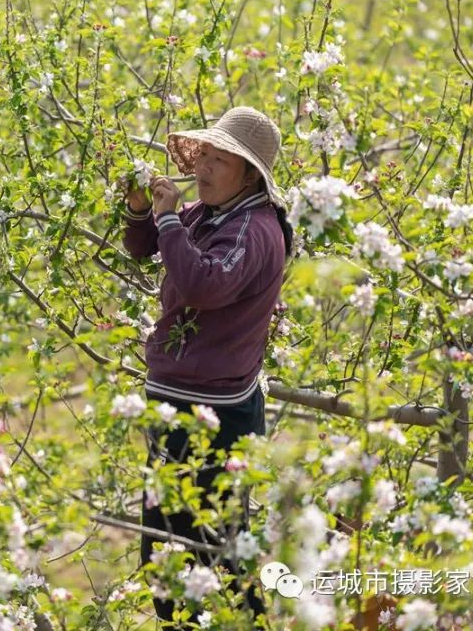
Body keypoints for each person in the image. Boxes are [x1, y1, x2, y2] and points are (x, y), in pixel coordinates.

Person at [121, 106, 294, 628]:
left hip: (214, 413)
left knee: (213, 552)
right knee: (165, 549)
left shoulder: (255, 229)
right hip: (176, 400)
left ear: (249, 175)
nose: (204, 168)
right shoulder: (209, 213)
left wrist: (170, 217)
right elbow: (145, 249)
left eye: (222, 160)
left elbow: (202, 283)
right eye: (206, 156)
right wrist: (140, 212)